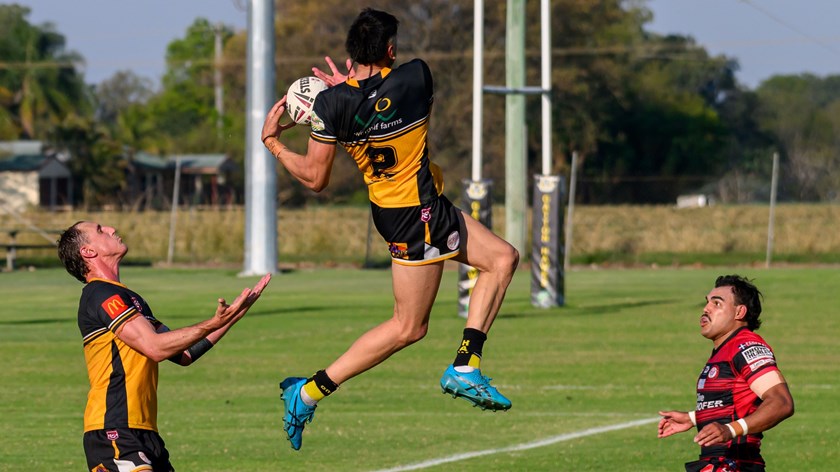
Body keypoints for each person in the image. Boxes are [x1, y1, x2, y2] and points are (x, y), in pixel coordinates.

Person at [261, 8, 519, 450]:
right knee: (408, 327)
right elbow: (382, 97)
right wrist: (351, 91)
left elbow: (316, 178)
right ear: (391, 49)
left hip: (407, 208)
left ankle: (465, 365)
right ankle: (308, 392)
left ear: (351, 52)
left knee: (502, 258)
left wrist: (274, 143)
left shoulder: (331, 105)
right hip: (416, 215)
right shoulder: (416, 77)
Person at [57, 221, 271, 471]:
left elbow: (185, 353)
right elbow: (155, 348)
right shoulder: (101, 295)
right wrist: (213, 323)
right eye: (100, 230)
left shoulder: (129, 297)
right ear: (88, 251)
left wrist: (232, 316)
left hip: (144, 431)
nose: (112, 229)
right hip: (113, 429)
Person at [658, 275, 794, 472]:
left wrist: (730, 429)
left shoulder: (746, 346)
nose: (706, 308)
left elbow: (781, 402)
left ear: (739, 312)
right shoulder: (725, 349)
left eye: (717, 303)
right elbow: (735, 403)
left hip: (735, 464)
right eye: (707, 302)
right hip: (720, 463)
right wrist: (694, 418)